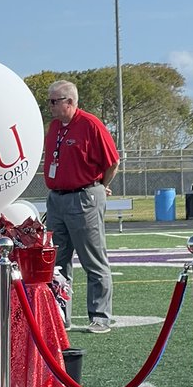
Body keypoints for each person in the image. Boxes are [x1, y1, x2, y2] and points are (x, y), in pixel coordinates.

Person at [43, 80, 120, 333]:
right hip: (57, 199)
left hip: (84, 197)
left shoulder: (90, 124)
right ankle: (58, 316)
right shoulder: (54, 127)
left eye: (54, 101)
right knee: (56, 261)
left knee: (93, 259)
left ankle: (100, 317)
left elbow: (112, 162)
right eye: (49, 100)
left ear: (70, 102)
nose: (50, 106)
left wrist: (99, 185)